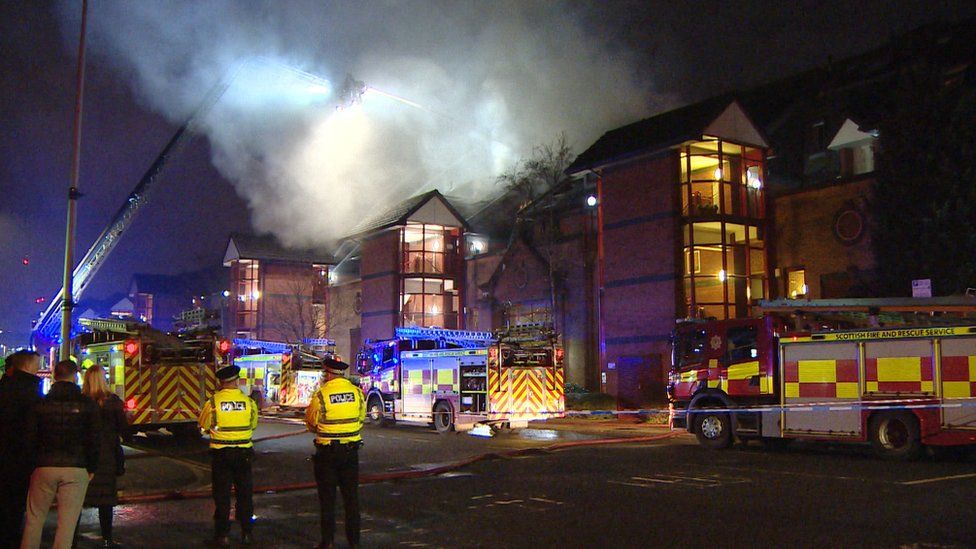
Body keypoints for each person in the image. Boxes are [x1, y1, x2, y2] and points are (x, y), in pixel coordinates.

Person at [21, 359, 100, 549]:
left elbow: (30, 438)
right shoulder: (87, 405)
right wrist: (92, 467)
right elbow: (94, 439)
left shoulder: (40, 404)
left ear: (55, 376)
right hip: (76, 467)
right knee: (67, 525)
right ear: (75, 376)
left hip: (44, 466)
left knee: (34, 520)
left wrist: (32, 466)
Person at [304, 358, 366, 549]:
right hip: (350, 453)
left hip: (327, 454)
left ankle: (328, 541)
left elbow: (311, 422)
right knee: (351, 500)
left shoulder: (321, 395)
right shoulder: (357, 393)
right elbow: (361, 418)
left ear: (329, 374)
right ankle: (354, 543)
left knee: (327, 500)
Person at [198, 365, 257, 547]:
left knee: (222, 496)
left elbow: (203, 425)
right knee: (245, 494)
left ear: (220, 382)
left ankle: (222, 535)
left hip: (221, 455)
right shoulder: (249, 402)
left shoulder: (213, 403)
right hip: (244, 453)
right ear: (236, 380)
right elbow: (253, 425)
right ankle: (247, 533)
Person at [81, 365, 128, 548]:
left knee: (77, 498)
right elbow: (124, 429)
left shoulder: (82, 401)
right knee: (106, 500)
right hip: (108, 454)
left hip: (85, 456)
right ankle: (107, 537)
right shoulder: (113, 401)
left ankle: (71, 538)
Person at [0, 350, 43, 549]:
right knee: (15, 508)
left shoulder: (4, 386)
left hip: (6, 456)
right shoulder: (30, 391)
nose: (39, 368)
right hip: (19, 460)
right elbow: (32, 429)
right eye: (37, 364)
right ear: (27, 366)